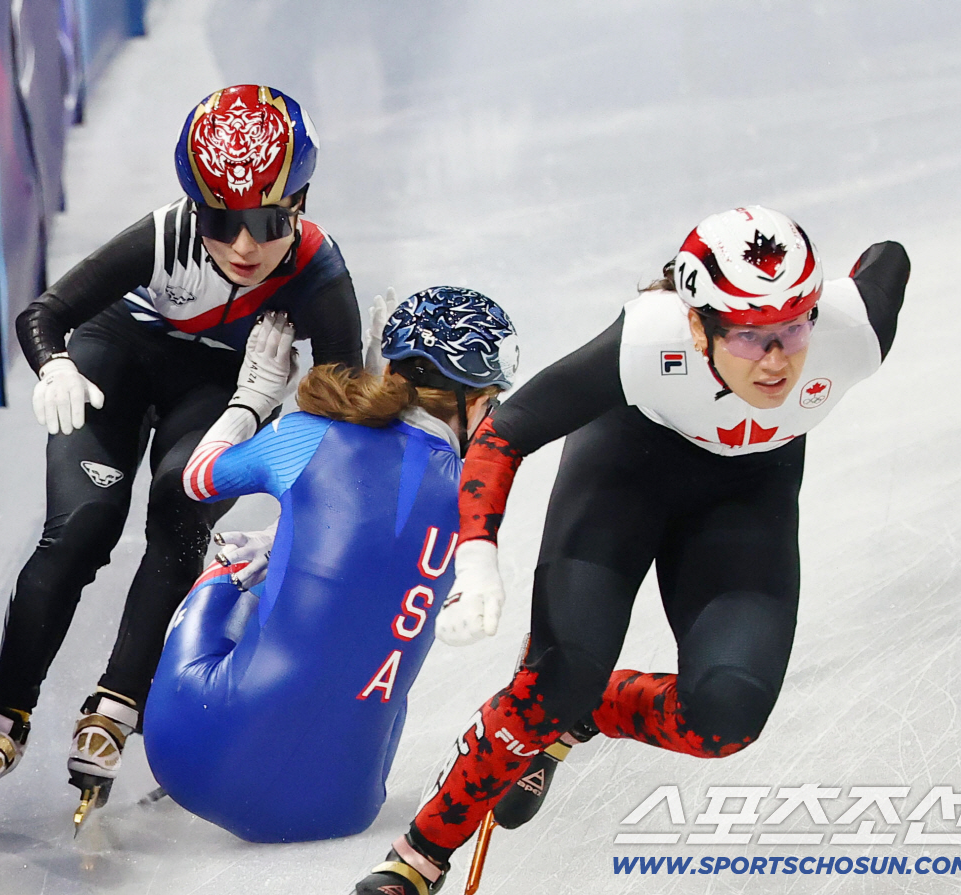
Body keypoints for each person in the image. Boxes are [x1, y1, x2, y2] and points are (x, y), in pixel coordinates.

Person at [350, 206, 910, 893]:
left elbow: (890, 259)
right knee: (558, 675)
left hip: (747, 495)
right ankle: (418, 855)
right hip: (626, 466)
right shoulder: (649, 339)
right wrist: (476, 561)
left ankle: (590, 712)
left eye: (793, 328)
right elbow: (506, 432)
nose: (776, 360)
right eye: (749, 335)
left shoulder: (849, 332)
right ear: (697, 323)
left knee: (726, 716)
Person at [0, 85, 362, 845]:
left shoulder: (321, 276)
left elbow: (343, 428)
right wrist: (55, 367)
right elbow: (44, 314)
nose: (239, 244)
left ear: (300, 203)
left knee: (178, 510)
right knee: (81, 529)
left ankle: (117, 700)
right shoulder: (164, 234)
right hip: (116, 360)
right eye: (217, 217)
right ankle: (4, 715)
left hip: (219, 390)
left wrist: (251, 411)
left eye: (263, 222)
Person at [143, 286, 519, 843]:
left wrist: (253, 396)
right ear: (468, 399)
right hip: (345, 804)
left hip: (187, 758)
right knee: (376, 644)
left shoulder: (306, 433)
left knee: (236, 567)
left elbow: (196, 480)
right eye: (491, 399)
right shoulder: (477, 495)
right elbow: (381, 520)